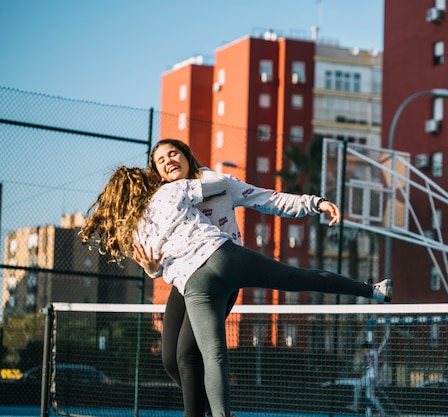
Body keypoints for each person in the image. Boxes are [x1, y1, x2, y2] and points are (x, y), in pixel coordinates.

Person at [81, 166, 392, 417]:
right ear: (143, 183)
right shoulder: (171, 189)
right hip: (223, 256)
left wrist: (151, 268)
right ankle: (372, 290)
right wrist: (201, 176)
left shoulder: (135, 231)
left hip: (196, 284)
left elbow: (157, 269)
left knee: (213, 355)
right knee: (300, 278)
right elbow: (219, 185)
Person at [146, 139, 344, 417]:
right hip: (184, 281)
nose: (168, 161)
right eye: (160, 160)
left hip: (220, 274)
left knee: (188, 355)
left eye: (173, 153)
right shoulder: (164, 200)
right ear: (157, 171)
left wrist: (315, 203)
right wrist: (151, 267)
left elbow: (268, 199)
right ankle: (216, 410)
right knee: (170, 360)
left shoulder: (218, 183)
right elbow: (155, 260)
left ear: (187, 156)